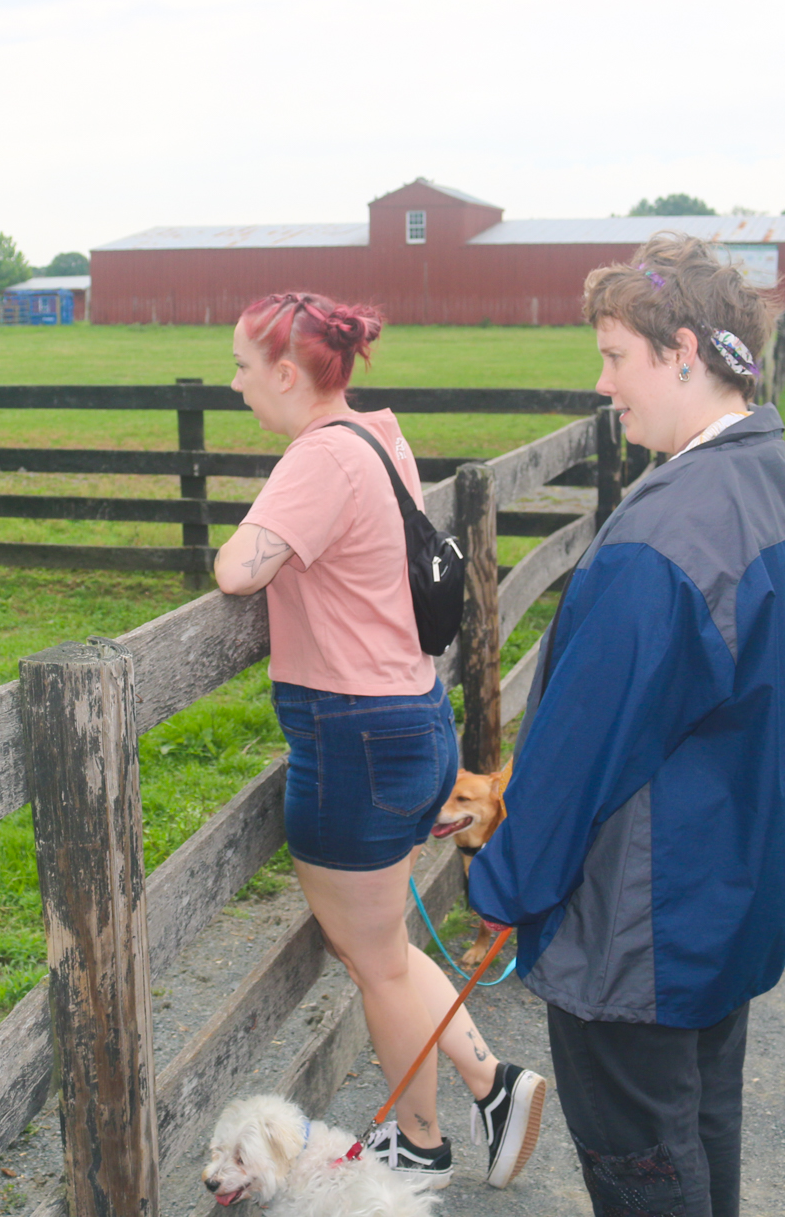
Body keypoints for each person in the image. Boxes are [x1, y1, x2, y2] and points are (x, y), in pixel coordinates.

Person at [468, 233, 785, 1217]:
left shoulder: (663, 538)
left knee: (643, 1160)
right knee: (698, 1125)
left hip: (639, 927)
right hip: (731, 896)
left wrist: (506, 885)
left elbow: (577, 755)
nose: (601, 383)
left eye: (613, 356)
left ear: (682, 349)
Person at [214, 291, 546, 1193]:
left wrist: (260, 530)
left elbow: (237, 568)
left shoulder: (316, 456)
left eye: (244, 367)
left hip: (352, 735)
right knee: (387, 949)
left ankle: (441, 1130)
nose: (235, 384)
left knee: (376, 960)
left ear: (288, 373)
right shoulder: (375, 434)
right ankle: (481, 1095)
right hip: (411, 719)